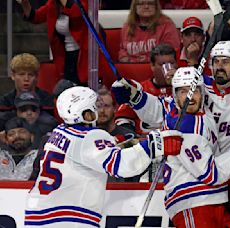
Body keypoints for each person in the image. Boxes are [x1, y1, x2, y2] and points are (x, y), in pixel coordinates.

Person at [111, 66, 230, 227]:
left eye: (194, 90)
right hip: (192, 202)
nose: (189, 96)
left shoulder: (192, 112)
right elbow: (211, 174)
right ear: (175, 95)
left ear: (202, 92)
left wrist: (135, 95)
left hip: (213, 202)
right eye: (183, 91)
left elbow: (157, 108)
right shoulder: (186, 128)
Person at [24, 86, 182, 227]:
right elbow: (122, 165)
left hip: (37, 214)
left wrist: (114, 142)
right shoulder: (90, 137)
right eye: (93, 107)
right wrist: (153, 145)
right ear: (85, 113)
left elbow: (82, 152)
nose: (97, 111)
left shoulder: (57, 133)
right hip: (69, 217)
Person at [16, 0, 96, 85]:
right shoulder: (52, 4)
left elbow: (77, 13)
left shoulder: (84, 2)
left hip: (86, 55)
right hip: (65, 56)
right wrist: (25, 3)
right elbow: (35, 17)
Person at [115, 44, 177, 137]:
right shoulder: (138, 89)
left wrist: (176, 84)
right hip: (144, 143)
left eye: (171, 63)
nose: (168, 68)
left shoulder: (185, 90)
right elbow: (122, 118)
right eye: (162, 64)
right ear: (152, 66)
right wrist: (132, 135)